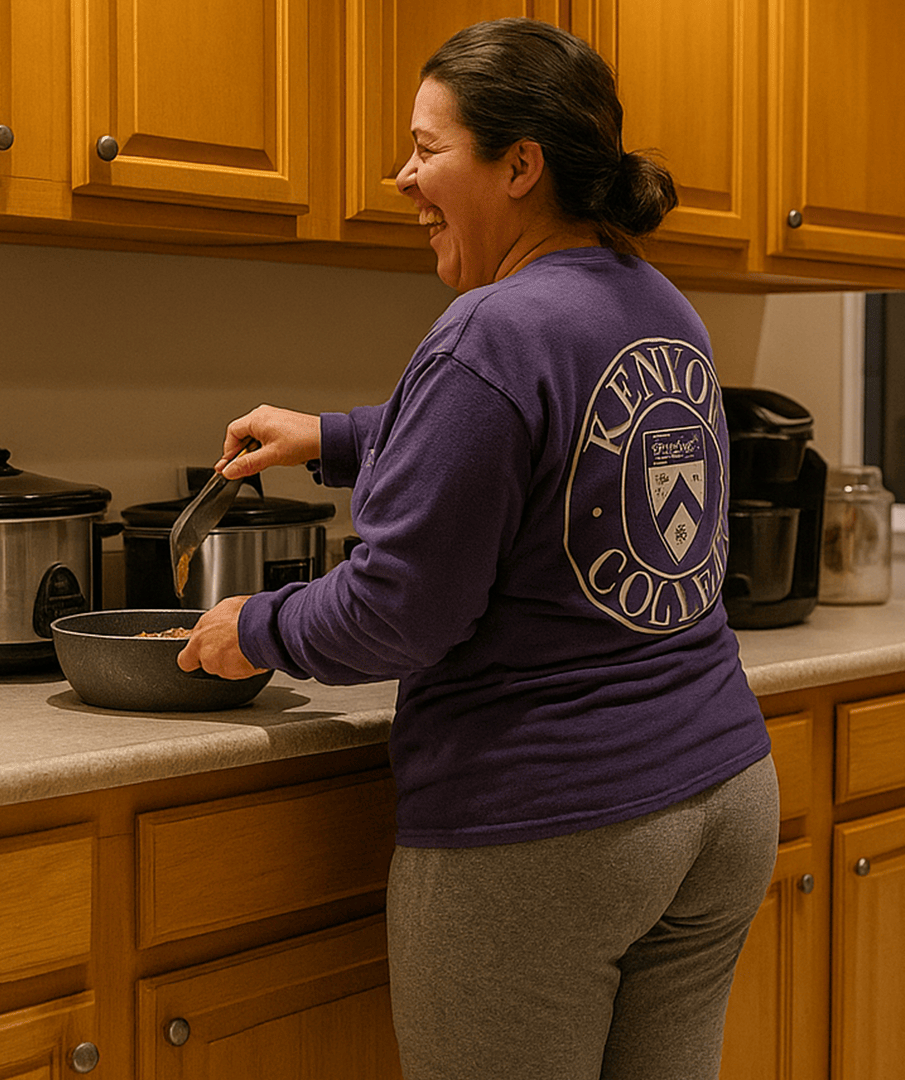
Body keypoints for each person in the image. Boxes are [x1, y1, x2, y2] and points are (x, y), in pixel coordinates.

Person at [175, 18, 778, 1079]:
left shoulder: (490, 330)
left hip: (551, 821)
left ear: (519, 165)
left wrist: (255, 627)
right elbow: (554, 443)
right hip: (721, 793)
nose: (401, 175)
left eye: (425, 147)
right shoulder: (661, 304)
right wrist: (334, 436)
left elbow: (400, 611)